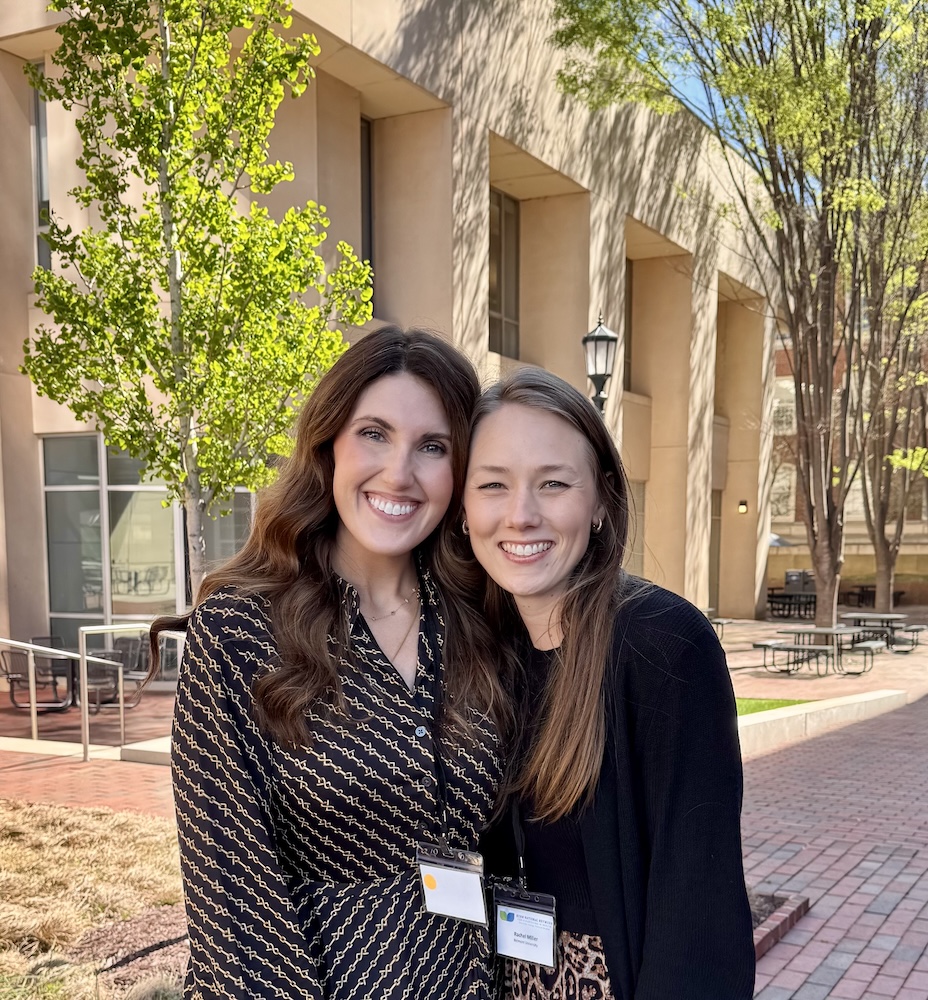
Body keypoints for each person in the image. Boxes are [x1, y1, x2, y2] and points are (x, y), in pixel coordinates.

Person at [151, 326, 508, 1000]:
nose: (399, 473)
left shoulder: (477, 624)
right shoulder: (238, 630)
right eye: (374, 433)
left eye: (432, 446)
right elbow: (232, 901)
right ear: (329, 444)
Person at [463, 366, 755, 1000]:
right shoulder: (483, 649)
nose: (521, 514)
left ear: (599, 500)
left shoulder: (663, 645)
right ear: (462, 508)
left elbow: (697, 908)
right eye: (492, 484)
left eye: (554, 484)